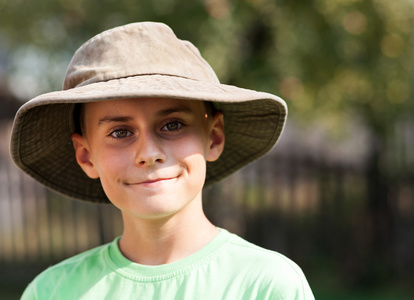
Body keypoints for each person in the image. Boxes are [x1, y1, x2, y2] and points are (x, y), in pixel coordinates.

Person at [10, 22, 314, 299]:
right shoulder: (52, 291)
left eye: (172, 125)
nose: (148, 153)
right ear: (86, 156)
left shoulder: (266, 285)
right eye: (120, 132)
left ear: (214, 137)